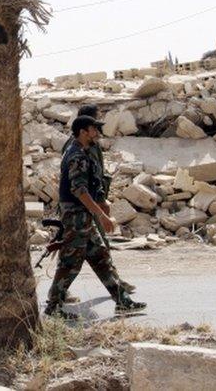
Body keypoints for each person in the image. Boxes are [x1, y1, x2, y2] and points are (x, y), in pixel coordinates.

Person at [45, 115, 145, 317]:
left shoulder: (79, 152)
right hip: (76, 217)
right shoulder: (77, 156)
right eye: (93, 129)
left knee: (100, 257)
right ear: (83, 131)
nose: (97, 133)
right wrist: (101, 216)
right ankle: (54, 306)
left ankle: (121, 299)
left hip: (82, 217)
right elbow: (79, 190)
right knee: (71, 262)